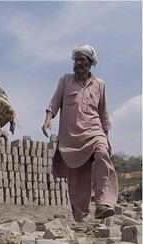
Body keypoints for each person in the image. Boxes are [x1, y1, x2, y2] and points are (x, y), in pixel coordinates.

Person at [42, 44, 118, 222]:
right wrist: (48, 118)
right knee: (78, 178)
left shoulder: (100, 84)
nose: (78, 63)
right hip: (71, 138)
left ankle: (103, 202)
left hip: (94, 131)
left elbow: (103, 113)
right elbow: (54, 103)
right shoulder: (65, 80)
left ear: (90, 62)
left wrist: (107, 137)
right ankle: (80, 218)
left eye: (82, 60)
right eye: (76, 60)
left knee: (102, 153)